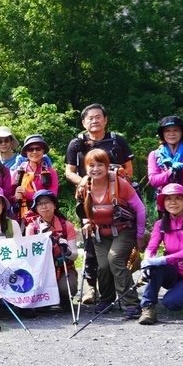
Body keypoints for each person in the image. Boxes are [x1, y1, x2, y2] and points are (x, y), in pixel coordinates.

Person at [64, 104, 134, 305]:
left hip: (115, 197)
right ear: (84, 122)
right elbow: (69, 172)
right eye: (89, 118)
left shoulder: (116, 141)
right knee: (90, 241)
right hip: (87, 198)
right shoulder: (77, 144)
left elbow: (129, 169)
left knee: (117, 241)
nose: (94, 121)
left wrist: (115, 181)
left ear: (105, 119)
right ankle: (91, 287)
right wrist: (85, 182)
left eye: (98, 117)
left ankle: (118, 286)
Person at [75, 150, 145, 318]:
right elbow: (82, 209)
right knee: (104, 266)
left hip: (123, 230)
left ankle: (132, 304)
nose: (96, 169)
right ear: (86, 168)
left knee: (115, 260)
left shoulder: (120, 183)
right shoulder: (85, 186)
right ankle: (107, 299)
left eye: (100, 165)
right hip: (99, 232)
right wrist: (86, 222)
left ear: (107, 167)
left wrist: (140, 235)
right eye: (91, 165)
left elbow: (140, 209)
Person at [138, 184, 183, 325]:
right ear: (163, 203)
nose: (173, 202)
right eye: (168, 199)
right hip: (173, 270)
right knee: (154, 267)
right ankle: (148, 307)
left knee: (171, 303)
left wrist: (160, 260)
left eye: (178, 198)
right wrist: (146, 262)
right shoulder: (160, 224)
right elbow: (151, 247)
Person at [24, 189, 78, 309]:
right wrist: (40, 237)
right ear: (36, 208)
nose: (44, 206)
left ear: (54, 205)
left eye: (47, 202)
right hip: (41, 271)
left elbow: (75, 255)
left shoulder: (66, 226)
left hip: (63, 269)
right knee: (41, 307)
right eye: (40, 204)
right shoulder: (32, 227)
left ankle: (63, 298)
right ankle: (47, 301)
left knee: (67, 288)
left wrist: (67, 250)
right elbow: (30, 256)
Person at [148, 115, 183, 202]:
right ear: (162, 134)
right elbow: (153, 180)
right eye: (167, 131)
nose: (171, 134)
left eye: (176, 130)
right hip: (167, 204)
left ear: (182, 132)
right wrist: (170, 172)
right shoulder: (155, 155)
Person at [12, 135, 59, 222]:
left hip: (46, 216)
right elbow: (10, 195)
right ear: (26, 152)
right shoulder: (18, 172)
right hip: (22, 215)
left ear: (43, 150)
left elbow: (52, 195)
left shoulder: (51, 172)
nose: (34, 152)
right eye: (30, 149)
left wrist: (27, 194)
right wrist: (15, 197)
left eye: (38, 149)